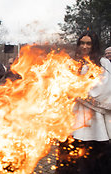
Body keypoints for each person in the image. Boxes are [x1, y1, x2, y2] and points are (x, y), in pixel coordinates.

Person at [56, 31, 111, 174]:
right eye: (82, 43)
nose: (85, 46)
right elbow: (63, 85)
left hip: (95, 117)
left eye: (88, 43)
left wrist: (77, 90)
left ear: (94, 45)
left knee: (94, 157)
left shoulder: (103, 63)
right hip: (74, 115)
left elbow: (105, 88)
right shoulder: (72, 62)